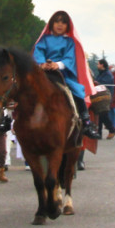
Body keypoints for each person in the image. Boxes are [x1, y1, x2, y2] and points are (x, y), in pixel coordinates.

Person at [32, 10, 99, 139]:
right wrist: (42, 64)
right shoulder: (44, 39)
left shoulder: (69, 42)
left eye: (63, 22)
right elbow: (38, 53)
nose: (60, 24)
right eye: (57, 21)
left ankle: (85, 122)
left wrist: (57, 64)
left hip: (62, 74)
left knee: (77, 90)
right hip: (43, 72)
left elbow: (70, 58)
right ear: (51, 23)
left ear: (68, 26)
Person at [94, 58, 115, 139]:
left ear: (102, 65)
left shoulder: (108, 74)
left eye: (98, 64)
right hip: (100, 97)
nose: (97, 65)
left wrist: (96, 83)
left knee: (103, 115)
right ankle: (99, 133)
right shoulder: (101, 74)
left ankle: (112, 130)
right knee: (100, 115)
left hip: (105, 97)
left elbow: (104, 84)